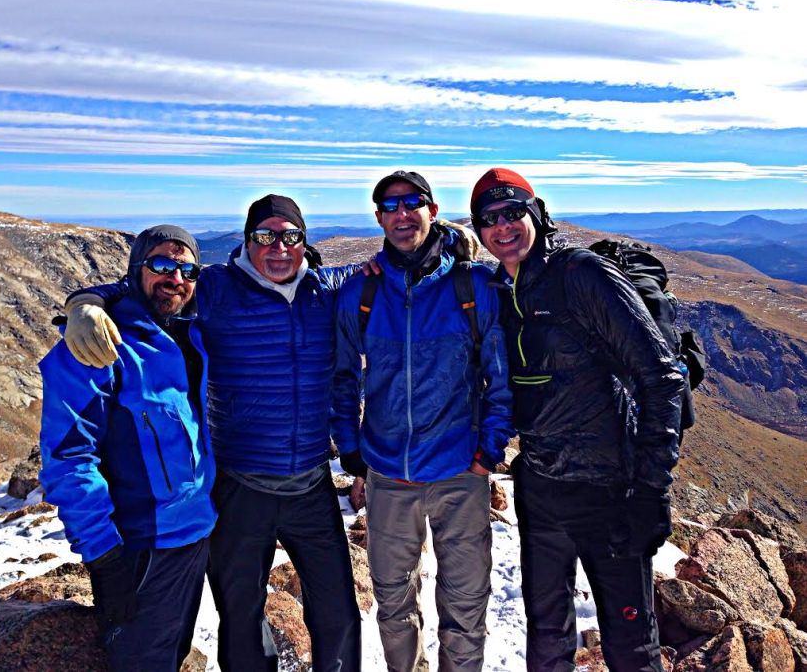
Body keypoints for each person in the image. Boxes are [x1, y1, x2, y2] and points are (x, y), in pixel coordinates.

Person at [61, 196, 362, 672]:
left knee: (338, 612)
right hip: (240, 485)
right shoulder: (216, 287)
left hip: (311, 483)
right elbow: (143, 288)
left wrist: (448, 239)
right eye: (265, 236)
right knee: (241, 616)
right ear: (246, 241)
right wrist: (86, 304)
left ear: (305, 242)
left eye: (291, 236)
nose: (278, 247)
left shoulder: (325, 290)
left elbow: (387, 269)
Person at [470, 168, 685, 672]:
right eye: (488, 219)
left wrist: (653, 490)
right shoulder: (499, 288)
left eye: (512, 213)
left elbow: (661, 378)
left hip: (609, 491)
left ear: (536, 214)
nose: (502, 227)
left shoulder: (581, 275)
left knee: (630, 643)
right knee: (546, 635)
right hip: (541, 487)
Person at [332, 170, 514, 672]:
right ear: (378, 219)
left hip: (460, 469)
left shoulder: (474, 287)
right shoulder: (361, 294)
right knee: (392, 602)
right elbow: (341, 375)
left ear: (433, 210)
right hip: (389, 473)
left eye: (413, 202)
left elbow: (500, 379)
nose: (402, 213)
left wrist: (489, 452)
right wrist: (350, 447)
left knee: (465, 603)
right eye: (390, 206)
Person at [38, 225, 217, 672]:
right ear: (136, 270)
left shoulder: (193, 330)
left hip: (197, 534)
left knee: (172, 654)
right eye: (160, 265)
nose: (174, 277)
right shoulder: (98, 344)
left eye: (186, 268)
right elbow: (69, 458)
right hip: (141, 548)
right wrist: (104, 556)